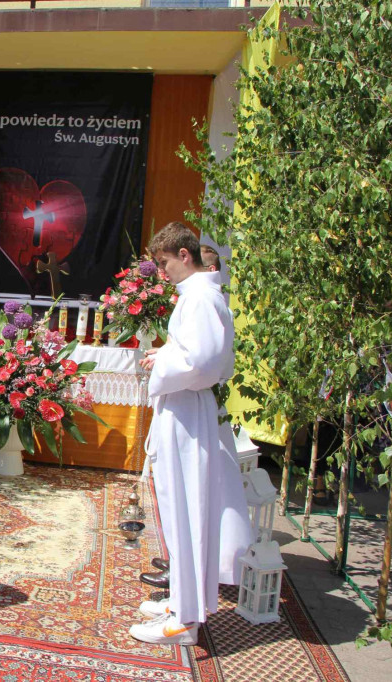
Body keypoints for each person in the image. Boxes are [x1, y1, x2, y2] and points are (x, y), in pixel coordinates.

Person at [131, 222, 252, 645]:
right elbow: (198, 355)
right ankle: (181, 602)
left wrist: (162, 364)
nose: (162, 274)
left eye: (164, 264)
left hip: (187, 412)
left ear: (185, 255)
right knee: (179, 508)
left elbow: (200, 362)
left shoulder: (200, 297)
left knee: (185, 510)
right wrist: (166, 354)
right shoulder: (200, 295)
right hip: (186, 407)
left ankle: (185, 620)